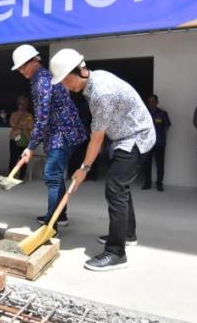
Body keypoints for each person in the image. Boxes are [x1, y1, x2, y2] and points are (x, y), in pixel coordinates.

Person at [50, 48, 155, 271]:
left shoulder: (101, 93)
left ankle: (116, 253)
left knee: (115, 188)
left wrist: (84, 169)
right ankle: (127, 234)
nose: (67, 86)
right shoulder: (93, 82)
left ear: (80, 70)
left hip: (136, 138)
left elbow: (96, 138)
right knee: (121, 187)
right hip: (124, 137)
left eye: (67, 80)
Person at [12, 44, 87, 228]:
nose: (21, 71)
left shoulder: (42, 81)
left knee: (52, 175)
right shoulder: (42, 77)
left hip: (63, 133)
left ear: (34, 61)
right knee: (56, 176)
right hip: (61, 132)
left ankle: (51, 224)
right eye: (19, 67)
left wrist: (30, 146)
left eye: (23, 66)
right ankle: (60, 216)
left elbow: (42, 118)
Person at [142, 94, 171, 191]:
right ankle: (147, 183)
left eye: (153, 101)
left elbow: (166, 126)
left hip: (159, 142)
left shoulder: (163, 113)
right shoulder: (144, 113)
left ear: (157, 102)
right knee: (147, 163)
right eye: (149, 102)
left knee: (160, 164)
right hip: (147, 143)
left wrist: (159, 134)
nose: (151, 103)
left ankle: (159, 183)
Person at [9, 95, 34, 180]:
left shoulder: (29, 115)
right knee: (13, 158)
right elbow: (12, 124)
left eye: (24, 103)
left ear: (27, 104)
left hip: (26, 139)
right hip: (14, 138)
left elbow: (31, 126)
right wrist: (20, 117)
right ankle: (11, 175)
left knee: (23, 158)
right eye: (20, 103)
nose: (22, 105)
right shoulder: (14, 114)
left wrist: (20, 126)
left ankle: (21, 177)